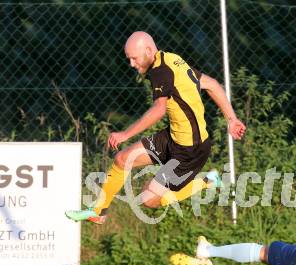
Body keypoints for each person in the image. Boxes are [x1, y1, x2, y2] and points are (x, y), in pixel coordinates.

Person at [66, 31, 246, 224]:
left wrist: (125, 134)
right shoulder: (172, 59)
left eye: (134, 58)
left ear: (149, 50)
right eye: (129, 59)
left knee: (149, 200)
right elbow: (212, 84)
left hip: (190, 150)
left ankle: (207, 181)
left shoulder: (160, 70)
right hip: (173, 138)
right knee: (122, 159)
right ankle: (98, 211)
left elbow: (159, 109)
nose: (132, 64)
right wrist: (231, 119)